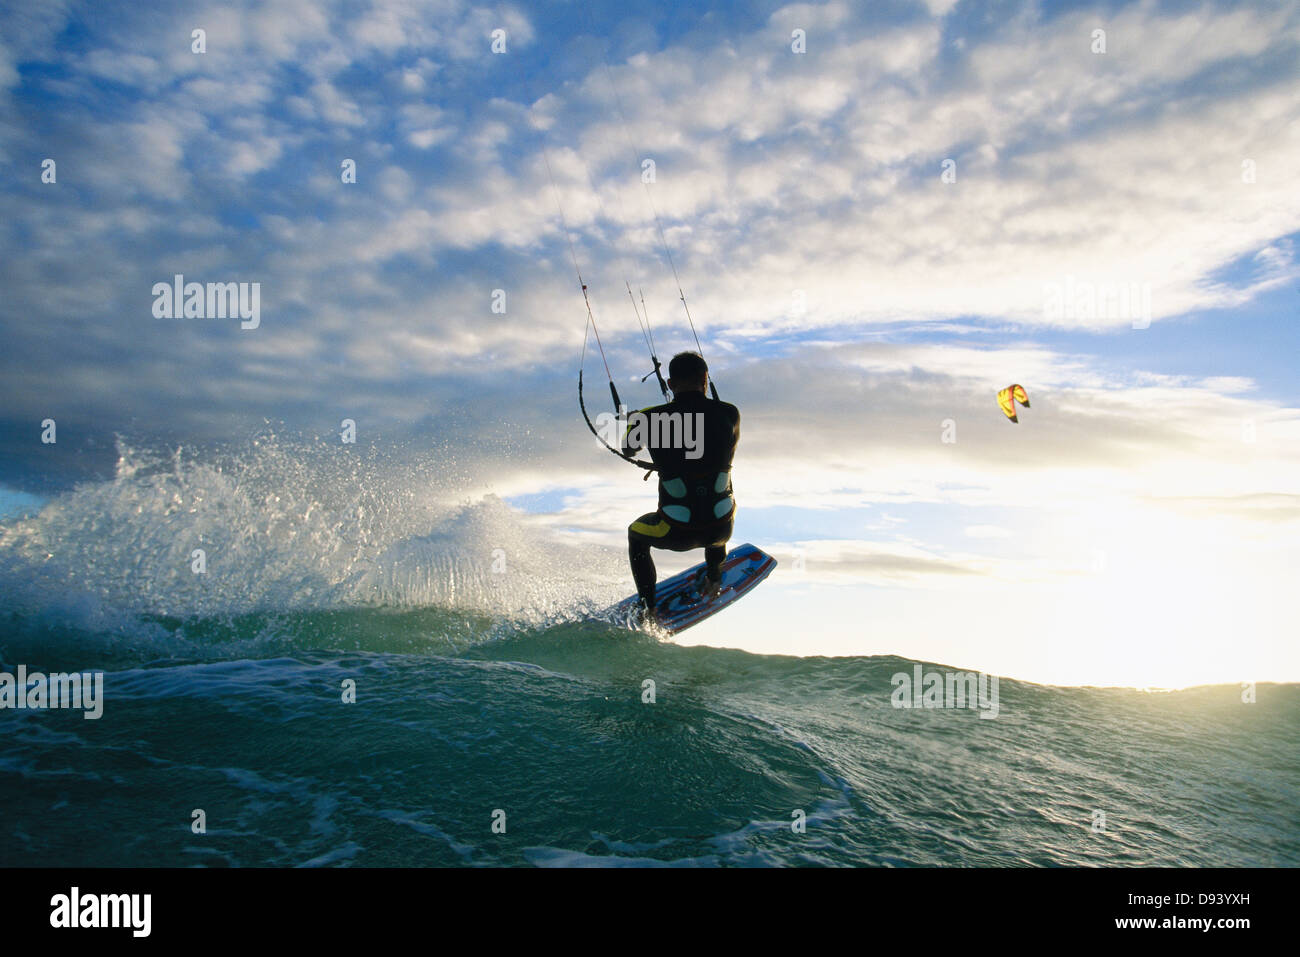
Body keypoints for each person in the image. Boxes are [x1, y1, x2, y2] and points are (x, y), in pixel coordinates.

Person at [623, 351, 740, 623]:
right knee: (716, 500)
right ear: (705, 379)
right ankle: (714, 577)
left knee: (636, 535)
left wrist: (636, 422)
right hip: (721, 529)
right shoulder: (730, 413)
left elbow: (629, 449)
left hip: (677, 532)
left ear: (670, 384)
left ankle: (647, 609)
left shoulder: (649, 418)